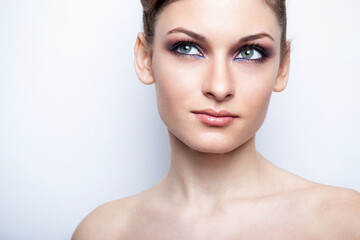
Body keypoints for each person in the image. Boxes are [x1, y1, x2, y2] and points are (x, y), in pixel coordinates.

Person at [72, 0, 360, 239]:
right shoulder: (102, 232)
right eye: (187, 48)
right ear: (144, 57)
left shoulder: (344, 222)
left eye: (249, 53)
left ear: (282, 68)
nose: (220, 87)